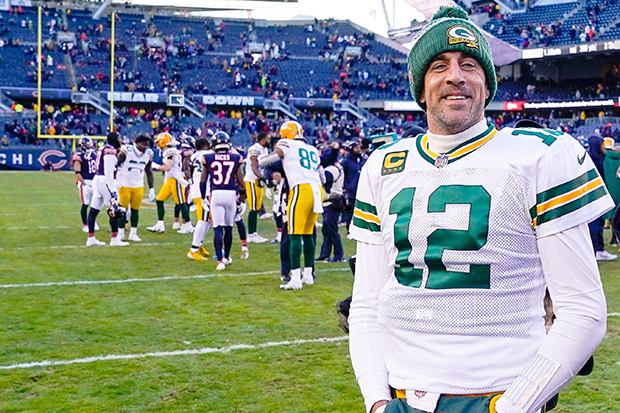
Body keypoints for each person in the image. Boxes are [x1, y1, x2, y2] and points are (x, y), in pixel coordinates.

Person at [348, 7, 610, 413]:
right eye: (439, 66)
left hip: (495, 394)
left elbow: (584, 311)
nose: (456, 75)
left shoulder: (539, 155)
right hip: (399, 398)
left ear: (487, 86)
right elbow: (366, 303)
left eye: (469, 64)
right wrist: (377, 402)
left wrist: (513, 406)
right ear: (420, 88)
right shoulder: (383, 166)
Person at [259, 120, 323, 290]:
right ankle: (308, 274)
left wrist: (258, 161)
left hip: (300, 189)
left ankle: (295, 278)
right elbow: (319, 171)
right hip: (317, 189)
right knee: (309, 233)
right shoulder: (312, 149)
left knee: (294, 233)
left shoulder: (286, 144)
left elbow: (272, 158)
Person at [200, 131, 246, 270]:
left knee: (217, 228)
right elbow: (241, 182)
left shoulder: (207, 157)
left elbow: (203, 180)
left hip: (216, 193)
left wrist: (203, 197)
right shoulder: (236, 157)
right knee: (229, 227)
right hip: (231, 194)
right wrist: (242, 200)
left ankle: (219, 261)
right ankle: (226, 257)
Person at [86, 132, 129, 247]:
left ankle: (91, 238)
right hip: (105, 181)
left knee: (94, 210)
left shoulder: (103, 148)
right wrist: (113, 190)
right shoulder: (110, 151)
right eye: (119, 138)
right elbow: (108, 173)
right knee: (114, 210)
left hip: (98, 179)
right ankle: (114, 240)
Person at [147, 132, 192, 234]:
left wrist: (155, 166)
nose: (158, 144)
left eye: (159, 142)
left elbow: (167, 167)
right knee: (159, 200)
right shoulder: (169, 151)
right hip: (170, 180)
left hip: (176, 179)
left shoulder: (171, 151)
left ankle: (188, 225)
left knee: (181, 203)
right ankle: (160, 224)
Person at [116, 135, 155, 242]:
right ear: (137, 143)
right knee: (122, 210)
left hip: (138, 185)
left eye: (147, 145)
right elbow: (116, 164)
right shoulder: (127, 150)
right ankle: (120, 233)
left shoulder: (148, 153)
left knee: (135, 210)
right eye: (143, 144)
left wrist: (151, 188)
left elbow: (149, 171)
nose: (145, 147)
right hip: (124, 183)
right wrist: (114, 179)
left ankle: (133, 233)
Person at [586, 135, 617, 260]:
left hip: (599, 195)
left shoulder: (600, 157)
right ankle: (595, 250)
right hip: (592, 196)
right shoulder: (589, 160)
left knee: (599, 222)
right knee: (594, 224)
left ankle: (599, 249)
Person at [317, 141, 345, 262]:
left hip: (333, 201)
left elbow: (325, 180)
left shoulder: (333, 169)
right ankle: (325, 254)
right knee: (326, 230)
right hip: (329, 201)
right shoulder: (333, 167)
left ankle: (339, 255)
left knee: (331, 229)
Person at [187, 137, 212, 261]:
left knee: (208, 219)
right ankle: (193, 249)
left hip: (196, 188)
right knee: (203, 219)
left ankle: (199, 243)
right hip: (204, 190)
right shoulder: (210, 154)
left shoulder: (194, 156)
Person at [243, 132, 271, 243]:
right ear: (263, 139)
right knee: (254, 208)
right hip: (252, 179)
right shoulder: (254, 148)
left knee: (258, 206)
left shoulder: (264, 149)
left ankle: (254, 233)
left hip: (258, 179)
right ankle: (251, 234)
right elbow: (254, 167)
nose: (269, 140)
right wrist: (264, 178)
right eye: (268, 138)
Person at [72, 136, 99, 233]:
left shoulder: (95, 154)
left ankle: (92, 221)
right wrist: (84, 184)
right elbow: (77, 172)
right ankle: (85, 224)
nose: (89, 146)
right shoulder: (79, 156)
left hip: (94, 180)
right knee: (85, 203)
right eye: (87, 145)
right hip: (85, 181)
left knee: (96, 203)